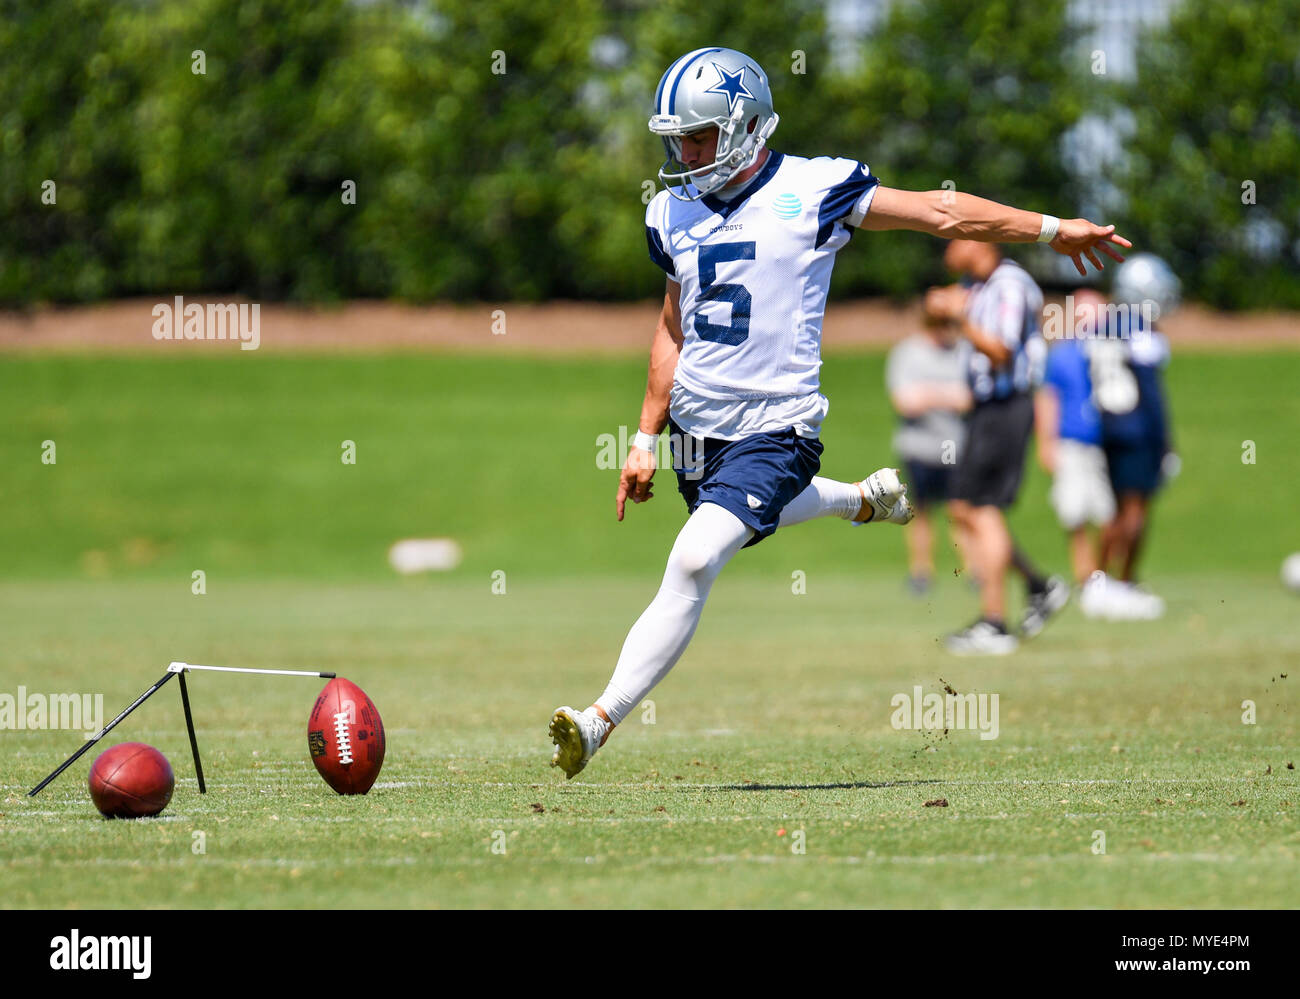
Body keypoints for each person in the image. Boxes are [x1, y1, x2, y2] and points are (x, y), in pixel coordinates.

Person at [549, 46, 1129, 777]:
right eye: (675, 138)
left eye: (698, 136)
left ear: (747, 126)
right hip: (697, 431)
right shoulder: (669, 210)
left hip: (777, 427)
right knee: (739, 522)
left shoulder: (816, 187)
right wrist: (643, 437)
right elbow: (673, 324)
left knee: (696, 557)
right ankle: (860, 499)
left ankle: (598, 719)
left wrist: (1050, 229)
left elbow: (941, 212)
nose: (683, 153)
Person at [926, 243, 1070, 653]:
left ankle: (995, 623)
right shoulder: (980, 285)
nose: (946, 245)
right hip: (989, 409)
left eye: (954, 237)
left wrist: (957, 316)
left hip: (1006, 406)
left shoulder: (1009, 285)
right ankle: (1037, 585)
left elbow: (1002, 351)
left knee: (982, 507)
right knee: (964, 507)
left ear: (978, 241)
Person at [1095, 254, 1180, 617]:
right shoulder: (1141, 330)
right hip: (1137, 428)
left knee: (1115, 510)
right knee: (1135, 510)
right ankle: (1123, 582)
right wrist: (1165, 442)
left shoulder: (1104, 325)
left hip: (1108, 426)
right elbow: (1151, 393)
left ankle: (1098, 582)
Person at [885, 312, 973, 594]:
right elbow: (906, 402)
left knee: (961, 510)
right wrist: (947, 395)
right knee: (919, 511)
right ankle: (921, 573)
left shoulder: (963, 352)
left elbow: (969, 398)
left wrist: (928, 393)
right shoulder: (908, 353)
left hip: (956, 448)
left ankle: (974, 571)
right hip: (918, 448)